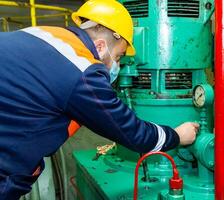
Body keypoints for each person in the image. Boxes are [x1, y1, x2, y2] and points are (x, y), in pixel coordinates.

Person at [0, 0, 199, 199]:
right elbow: (133, 132)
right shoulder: (83, 71)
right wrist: (177, 135)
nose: (117, 67)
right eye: (119, 57)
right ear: (101, 46)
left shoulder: (46, 34)